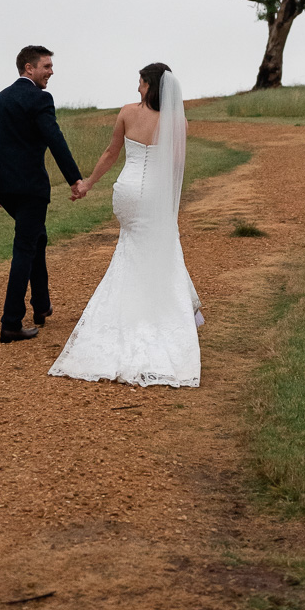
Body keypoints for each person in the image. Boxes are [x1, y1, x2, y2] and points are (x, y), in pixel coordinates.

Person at [50, 63, 203, 387]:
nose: (137, 87)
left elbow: (111, 152)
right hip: (154, 199)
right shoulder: (178, 122)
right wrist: (168, 207)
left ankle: (122, 316)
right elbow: (176, 169)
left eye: (141, 82)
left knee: (130, 251)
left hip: (127, 194)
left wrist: (88, 183)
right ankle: (158, 313)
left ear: (150, 85)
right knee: (160, 250)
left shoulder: (127, 113)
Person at [0, 45, 86, 344]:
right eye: (46, 66)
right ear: (29, 68)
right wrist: (74, 178)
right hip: (30, 189)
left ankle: (41, 304)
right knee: (25, 246)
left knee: (37, 237)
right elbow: (54, 139)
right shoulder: (39, 98)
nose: (51, 71)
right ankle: (11, 322)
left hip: (5, 188)